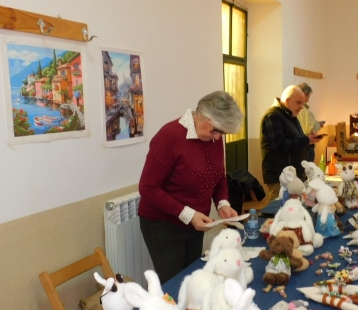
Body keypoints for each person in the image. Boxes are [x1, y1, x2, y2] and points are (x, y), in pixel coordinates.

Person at [138, 90, 243, 284]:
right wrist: (188, 214)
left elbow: (218, 176)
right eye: (215, 130)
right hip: (163, 225)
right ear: (202, 115)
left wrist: (222, 204)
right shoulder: (169, 136)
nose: (218, 138)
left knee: (193, 279)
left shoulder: (212, 138)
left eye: (222, 133)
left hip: (195, 224)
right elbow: (148, 187)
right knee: (175, 285)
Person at [260, 85, 322, 196]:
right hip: (280, 176)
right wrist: (305, 140)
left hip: (294, 174)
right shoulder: (273, 116)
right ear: (288, 101)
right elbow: (280, 145)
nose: (302, 107)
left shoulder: (290, 115)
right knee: (279, 208)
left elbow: (297, 141)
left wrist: (309, 142)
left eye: (302, 103)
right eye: (299, 103)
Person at [297, 82, 325, 162]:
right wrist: (318, 125)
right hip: (306, 146)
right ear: (304, 95)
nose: (308, 100)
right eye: (308, 97)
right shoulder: (303, 111)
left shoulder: (298, 110)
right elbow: (310, 129)